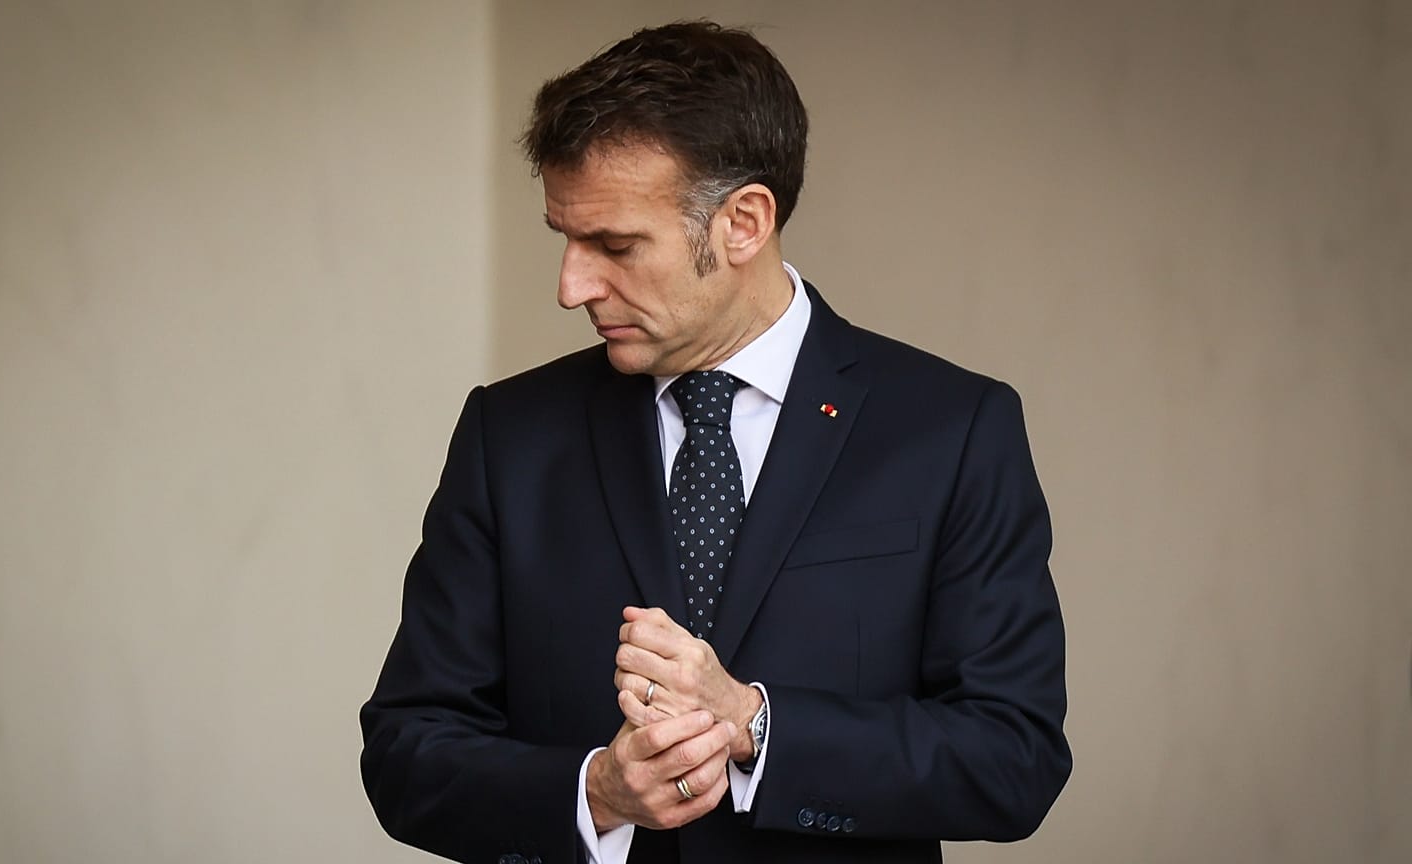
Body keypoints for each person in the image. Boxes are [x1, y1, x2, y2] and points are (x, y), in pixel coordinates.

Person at [361, 20, 1070, 864]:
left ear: (744, 222)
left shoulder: (952, 430)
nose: (571, 286)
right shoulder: (509, 437)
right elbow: (407, 751)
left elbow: (1013, 757)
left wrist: (755, 725)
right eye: (565, 239)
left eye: (615, 245)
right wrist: (595, 794)